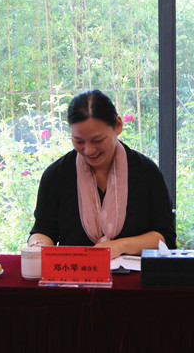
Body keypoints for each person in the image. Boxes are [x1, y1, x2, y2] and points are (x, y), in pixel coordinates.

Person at [28, 89, 176, 258]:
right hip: (75, 273)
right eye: (78, 141)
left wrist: (119, 246)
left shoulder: (146, 172)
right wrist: (37, 245)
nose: (89, 150)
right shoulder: (57, 175)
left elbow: (165, 237)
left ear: (118, 125)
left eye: (97, 140)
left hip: (134, 274)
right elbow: (43, 230)